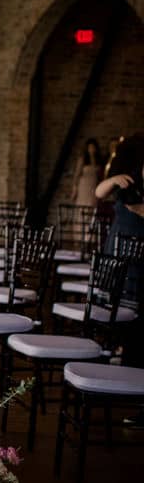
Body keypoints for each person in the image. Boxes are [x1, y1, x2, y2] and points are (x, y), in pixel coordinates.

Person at [95, 133, 144, 426]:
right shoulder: (129, 172)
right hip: (119, 249)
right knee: (118, 311)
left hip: (140, 251)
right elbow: (99, 192)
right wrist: (114, 181)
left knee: (136, 316)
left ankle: (129, 370)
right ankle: (119, 366)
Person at [68, 138, 105, 207]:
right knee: (82, 204)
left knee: (92, 204)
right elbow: (77, 174)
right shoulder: (83, 159)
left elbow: (101, 175)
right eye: (90, 147)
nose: (91, 149)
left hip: (94, 185)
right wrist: (75, 189)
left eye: (93, 147)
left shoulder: (99, 159)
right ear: (87, 148)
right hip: (84, 185)